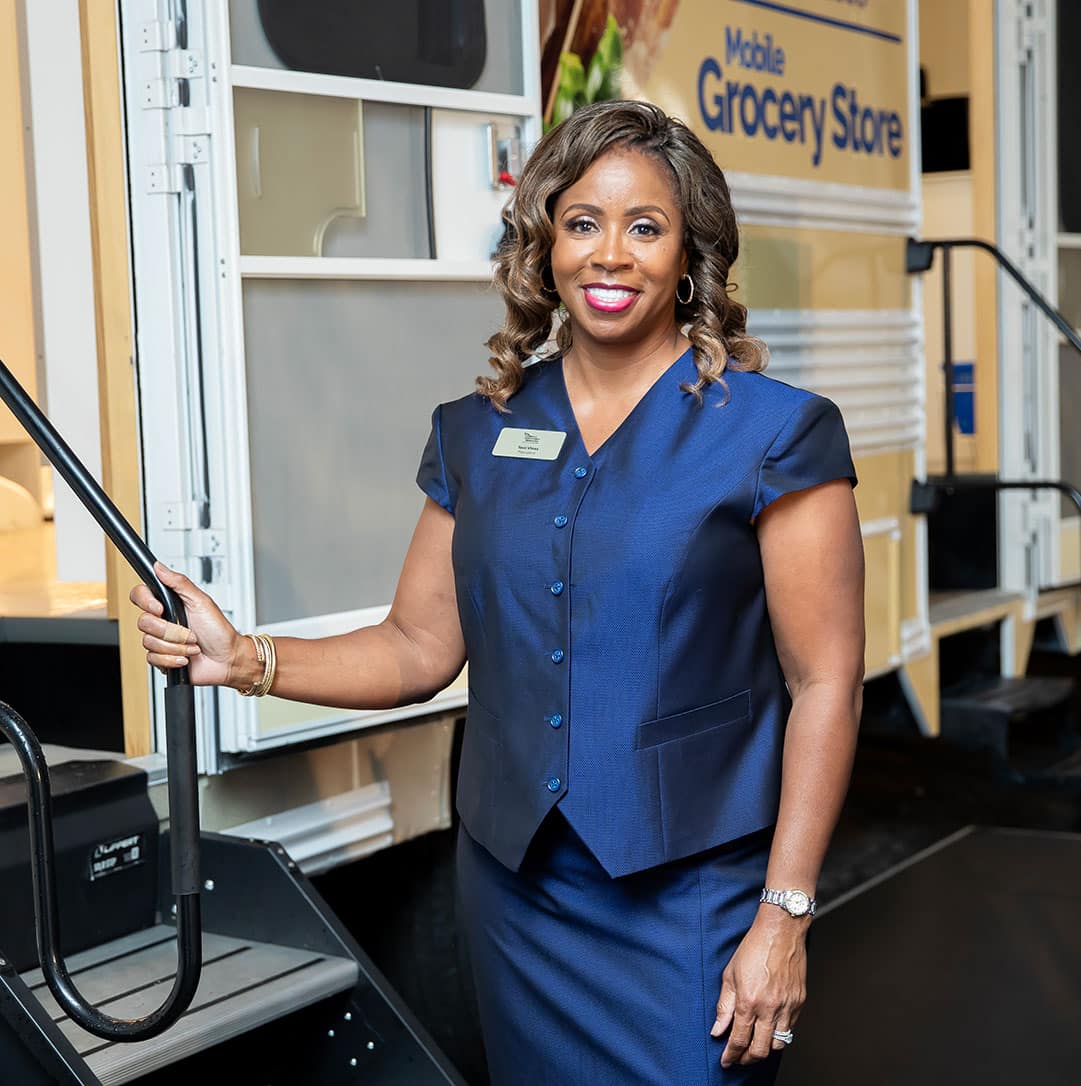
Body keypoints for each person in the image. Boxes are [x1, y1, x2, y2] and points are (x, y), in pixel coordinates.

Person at [132, 99, 864, 1084]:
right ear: (544, 243)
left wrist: (786, 912)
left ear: (689, 254)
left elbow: (826, 681)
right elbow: (417, 649)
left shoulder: (775, 432)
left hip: (692, 891)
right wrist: (249, 661)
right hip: (519, 893)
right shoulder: (477, 432)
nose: (611, 255)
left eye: (645, 227)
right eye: (582, 223)